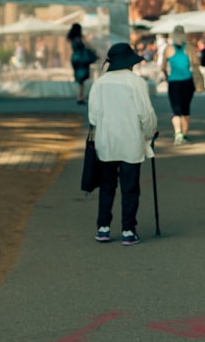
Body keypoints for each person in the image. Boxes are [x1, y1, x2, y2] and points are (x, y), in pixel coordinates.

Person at [88, 43, 158, 247]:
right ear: (129, 63)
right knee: (130, 187)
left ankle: (103, 228)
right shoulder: (136, 83)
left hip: (106, 141)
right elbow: (146, 114)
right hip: (131, 140)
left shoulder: (99, 84)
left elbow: (92, 117)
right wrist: (150, 133)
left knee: (107, 186)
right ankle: (128, 230)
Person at [162, 25, 198, 145]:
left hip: (174, 82)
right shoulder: (189, 48)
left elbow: (163, 67)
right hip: (187, 81)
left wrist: (167, 77)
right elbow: (196, 63)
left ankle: (178, 133)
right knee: (186, 109)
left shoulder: (168, 49)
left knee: (175, 109)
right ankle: (185, 133)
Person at [67, 23, 96, 104]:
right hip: (82, 58)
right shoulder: (80, 37)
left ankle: (80, 96)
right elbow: (88, 45)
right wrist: (94, 51)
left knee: (80, 78)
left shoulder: (71, 38)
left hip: (75, 58)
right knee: (82, 78)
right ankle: (80, 97)